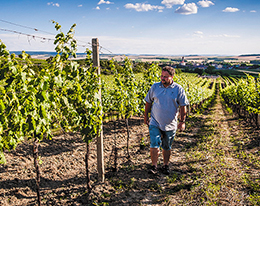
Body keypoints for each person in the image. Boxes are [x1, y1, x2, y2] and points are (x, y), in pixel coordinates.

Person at [144, 66, 189, 175]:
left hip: (170, 124)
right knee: (154, 144)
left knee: (167, 146)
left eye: (165, 77)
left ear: (172, 77)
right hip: (155, 122)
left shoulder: (178, 89)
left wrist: (182, 121)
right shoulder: (155, 87)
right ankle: (154, 166)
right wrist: (146, 116)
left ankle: (165, 165)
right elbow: (148, 102)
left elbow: (183, 106)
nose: (162, 78)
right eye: (161, 76)